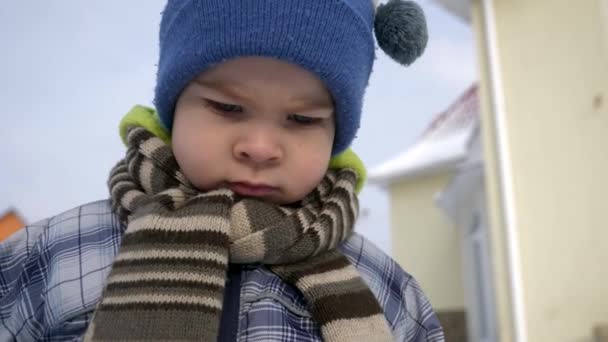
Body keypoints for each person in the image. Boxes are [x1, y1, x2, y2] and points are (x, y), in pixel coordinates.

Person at [0, 0, 445, 341]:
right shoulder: (49, 257)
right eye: (227, 107)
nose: (259, 147)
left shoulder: (385, 287)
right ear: (173, 107)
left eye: (303, 119)